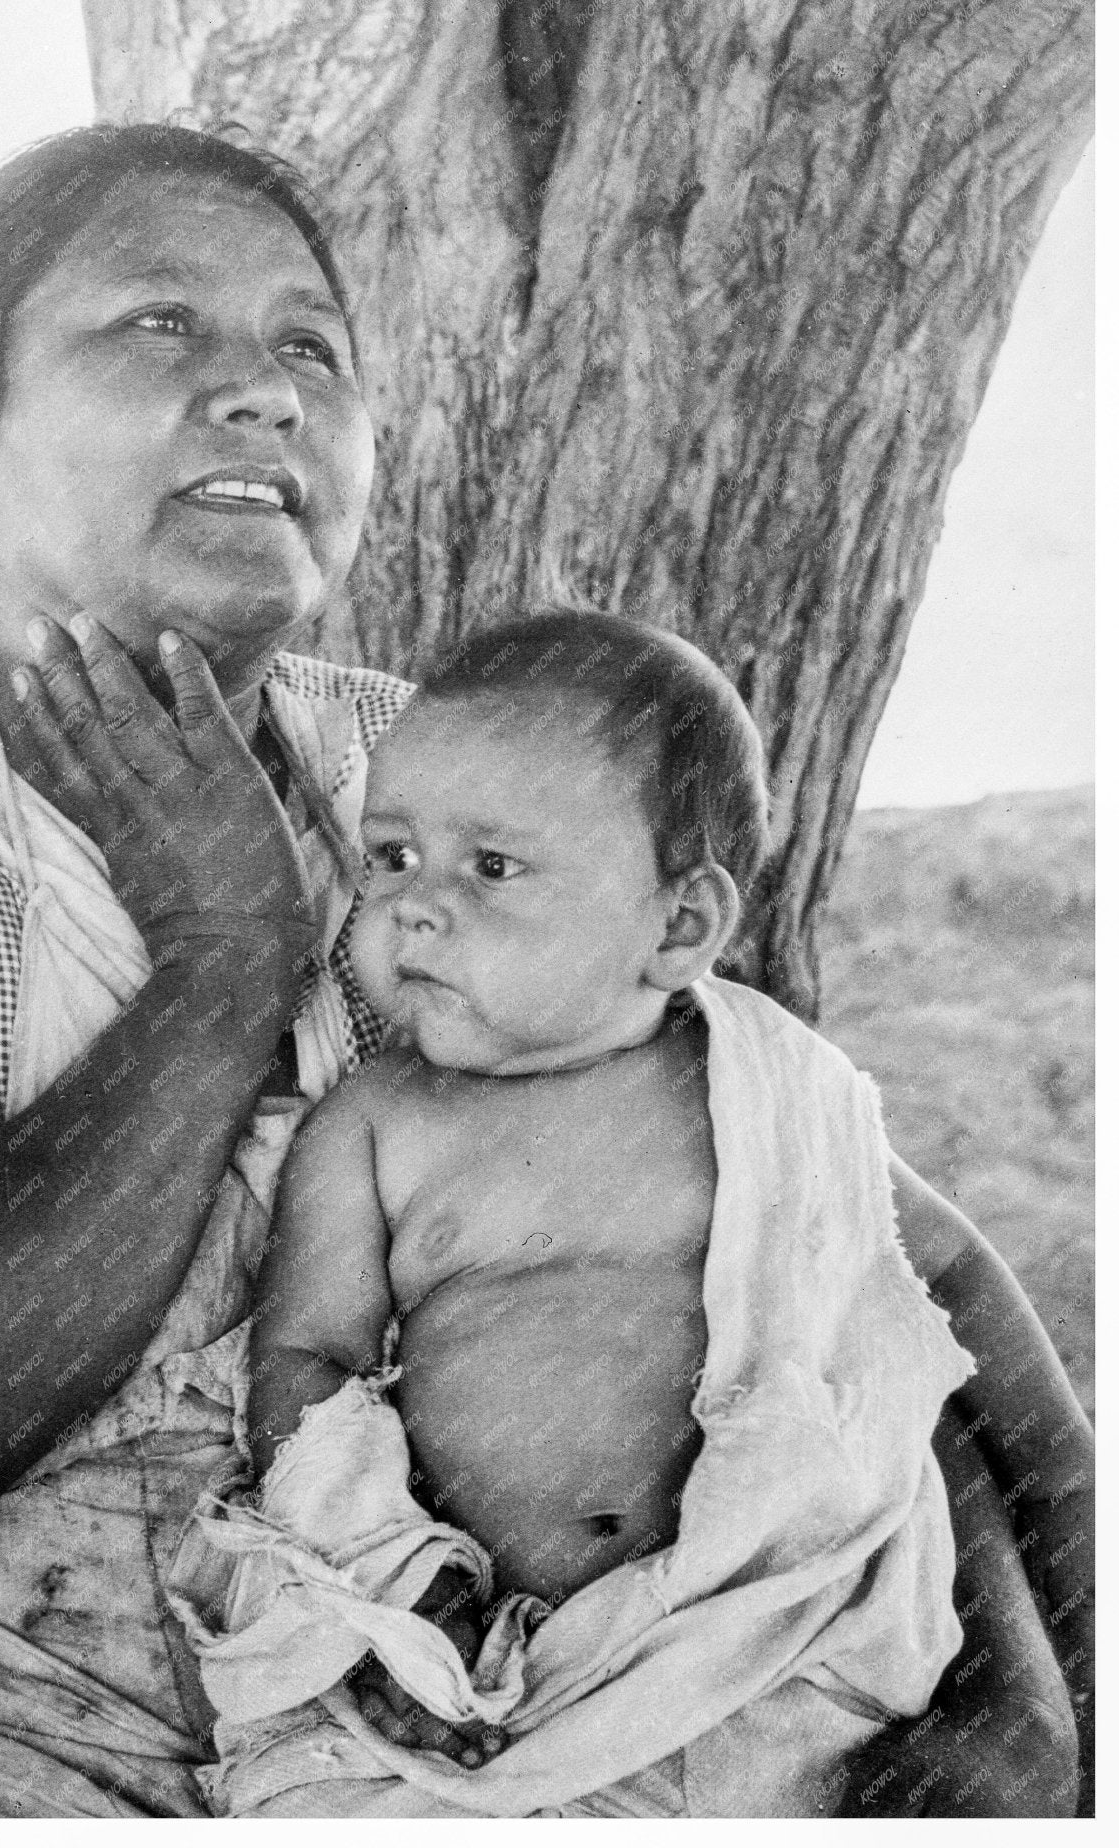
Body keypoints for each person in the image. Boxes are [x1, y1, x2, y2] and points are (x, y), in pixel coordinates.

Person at [0, 126, 1079, 1817]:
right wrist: (221, 957)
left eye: (308, 347)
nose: (260, 391)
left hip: (460, 1751)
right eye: (156, 324)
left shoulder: (434, 777)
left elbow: (838, 1243)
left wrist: (1028, 1695)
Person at [170, 611, 1094, 1818]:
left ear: (679, 926)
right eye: (390, 856)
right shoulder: (376, 1124)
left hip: (765, 1636)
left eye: (491, 868)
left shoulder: (767, 1086)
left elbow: (950, 1279)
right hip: (474, 1656)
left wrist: (1068, 1483)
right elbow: (308, 1357)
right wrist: (380, 1580)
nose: (414, 907)